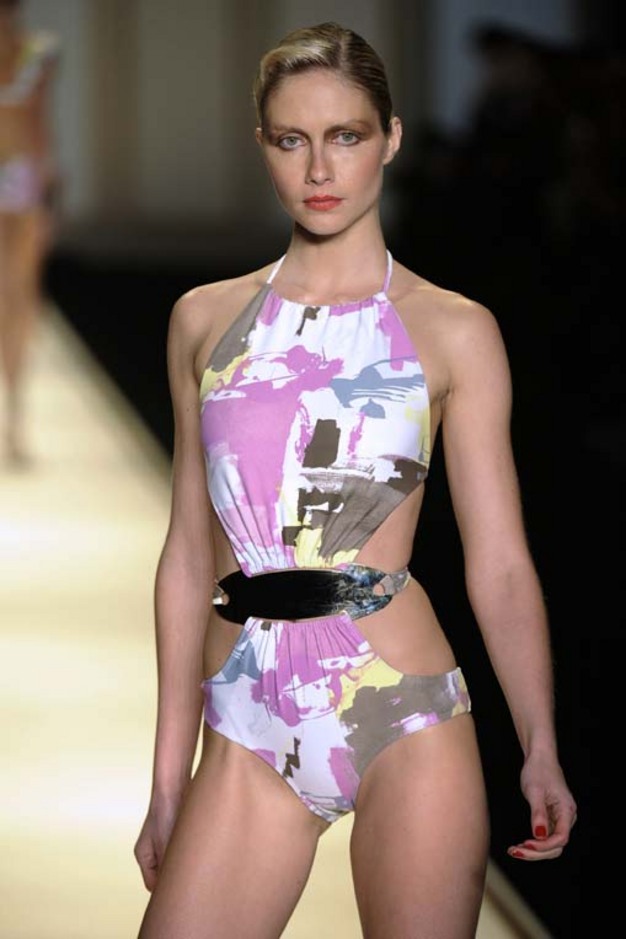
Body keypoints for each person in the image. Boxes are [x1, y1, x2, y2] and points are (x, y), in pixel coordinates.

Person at [134, 21, 577, 938]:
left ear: (391, 138)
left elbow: (499, 560)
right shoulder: (203, 321)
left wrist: (539, 742)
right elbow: (185, 557)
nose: (319, 169)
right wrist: (167, 777)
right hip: (246, 719)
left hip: (404, 710)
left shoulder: (454, 329)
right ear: (263, 146)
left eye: (346, 135)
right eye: (291, 139)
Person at [0, 0, 59, 464]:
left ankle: (16, 421)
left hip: (20, 182)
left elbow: (40, 125)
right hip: (21, 180)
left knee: (18, 302)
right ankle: (15, 423)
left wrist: (47, 200)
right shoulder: (37, 51)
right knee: (15, 302)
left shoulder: (39, 50)